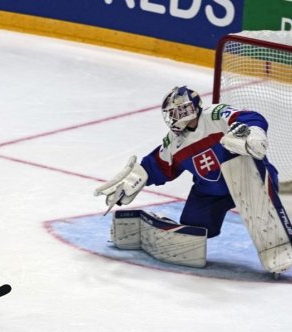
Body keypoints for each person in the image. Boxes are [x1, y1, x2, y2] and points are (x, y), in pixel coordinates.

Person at [95, 85, 277, 239]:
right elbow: (158, 166)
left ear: (188, 110)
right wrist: (136, 177)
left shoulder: (215, 115)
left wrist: (254, 133)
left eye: (175, 112)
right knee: (194, 227)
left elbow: (251, 117)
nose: (172, 117)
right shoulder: (174, 141)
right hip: (210, 193)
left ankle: (277, 242)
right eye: (170, 113)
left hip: (248, 179)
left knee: (265, 220)